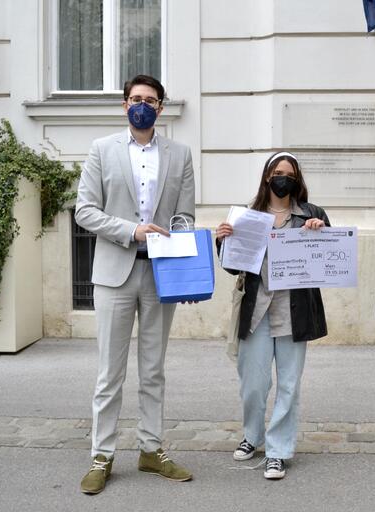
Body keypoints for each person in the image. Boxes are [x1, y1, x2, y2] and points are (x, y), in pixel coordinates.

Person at [75, 74, 195, 494]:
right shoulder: (102, 150)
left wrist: (180, 245)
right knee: (110, 371)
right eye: (135, 98)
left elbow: (185, 217)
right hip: (115, 271)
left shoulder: (180, 154)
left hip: (161, 276)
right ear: (125, 104)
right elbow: (84, 211)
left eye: (150, 100)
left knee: (153, 369)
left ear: (161, 108)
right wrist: (133, 230)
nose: (142, 105)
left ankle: (150, 449)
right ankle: (101, 456)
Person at [215, 151, 329, 480]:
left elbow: (329, 259)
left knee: (289, 386)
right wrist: (223, 241)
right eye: (277, 172)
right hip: (256, 310)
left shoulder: (311, 213)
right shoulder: (248, 216)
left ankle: (278, 451)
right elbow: (232, 265)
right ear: (267, 177)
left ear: (297, 180)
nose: (283, 177)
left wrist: (318, 230)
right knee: (253, 383)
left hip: (294, 310)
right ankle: (252, 436)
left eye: (289, 173)